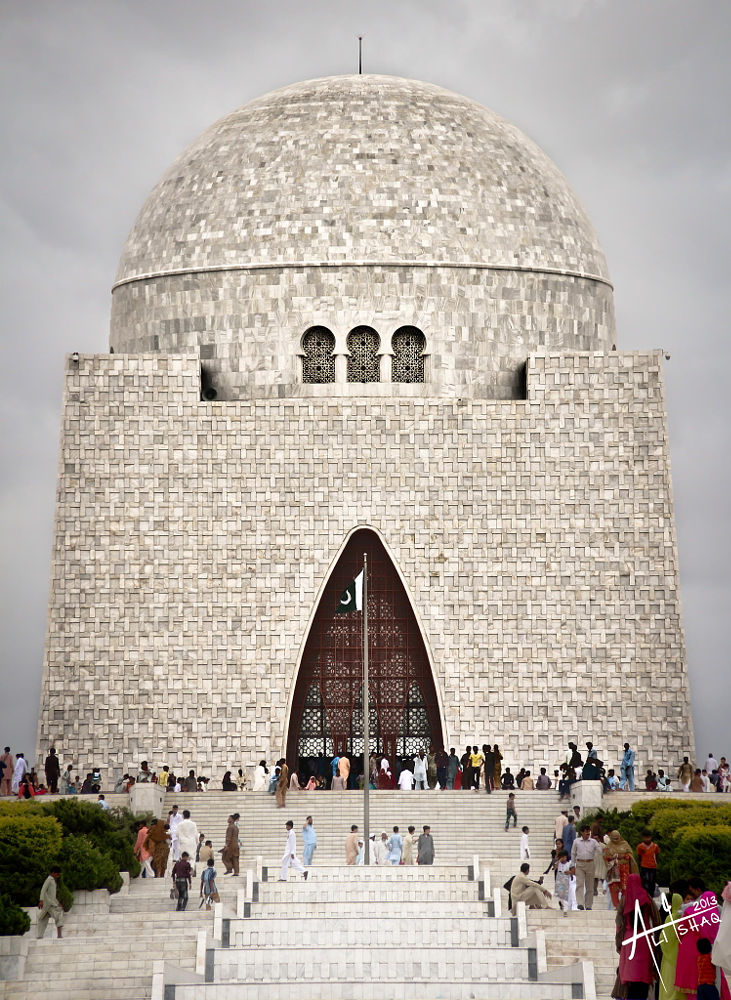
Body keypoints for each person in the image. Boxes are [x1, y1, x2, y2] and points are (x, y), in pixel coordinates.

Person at [614, 873, 659, 999]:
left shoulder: (624, 900)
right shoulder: (647, 898)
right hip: (645, 940)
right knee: (643, 974)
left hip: (629, 941)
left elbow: (619, 924)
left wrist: (618, 943)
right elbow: (656, 919)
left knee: (630, 976)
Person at [658, 889, 683, 1000]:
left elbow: (663, 939)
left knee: (668, 987)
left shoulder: (670, 918)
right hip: (681, 958)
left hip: (669, 959)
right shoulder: (685, 917)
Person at [604, 829, 638, 908]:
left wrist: (623, 856)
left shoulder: (625, 844)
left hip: (624, 869)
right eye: (614, 838)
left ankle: (624, 905)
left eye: (617, 838)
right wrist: (612, 857)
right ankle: (617, 906)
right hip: (613, 871)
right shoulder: (608, 846)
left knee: (625, 888)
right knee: (614, 888)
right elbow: (605, 857)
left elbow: (630, 854)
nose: (615, 840)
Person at [570, 824, 601, 910]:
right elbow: (573, 853)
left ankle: (588, 905)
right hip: (579, 864)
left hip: (590, 864)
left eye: (589, 832)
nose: (588, 833)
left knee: (590, 886)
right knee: (579, 884)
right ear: (582, 832)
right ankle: (580, 903)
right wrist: (572, 865)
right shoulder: (576, 841)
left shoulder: (593, 842)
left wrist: (599, 842)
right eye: (586, 831)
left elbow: (600, 851)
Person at [37, 866, 64, 938]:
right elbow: (43, 890)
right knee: (58, 916)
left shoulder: (53, 880)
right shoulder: (49, 879)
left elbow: (52, 895)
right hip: (49, 904)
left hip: (51, 904)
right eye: (57, 874)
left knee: (42, 919)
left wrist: (58, 903)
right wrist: (41, 900)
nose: (58, 876)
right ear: (53, 873)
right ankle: (59, 935)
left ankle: (39, 936)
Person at [636, 830, 659, 897]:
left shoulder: (655, 846)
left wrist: (656, 864)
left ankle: (651, 896)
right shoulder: (640, 846)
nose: (647, 839)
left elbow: (657, 855)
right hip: (644, 866)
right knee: (644, 882)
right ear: (642, 837)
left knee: (652, 882)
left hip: (653, 866)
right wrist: (640, 865)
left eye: (648, 837)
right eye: (645, 837)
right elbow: (639, 856)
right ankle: (645, 896)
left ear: (651, 837)